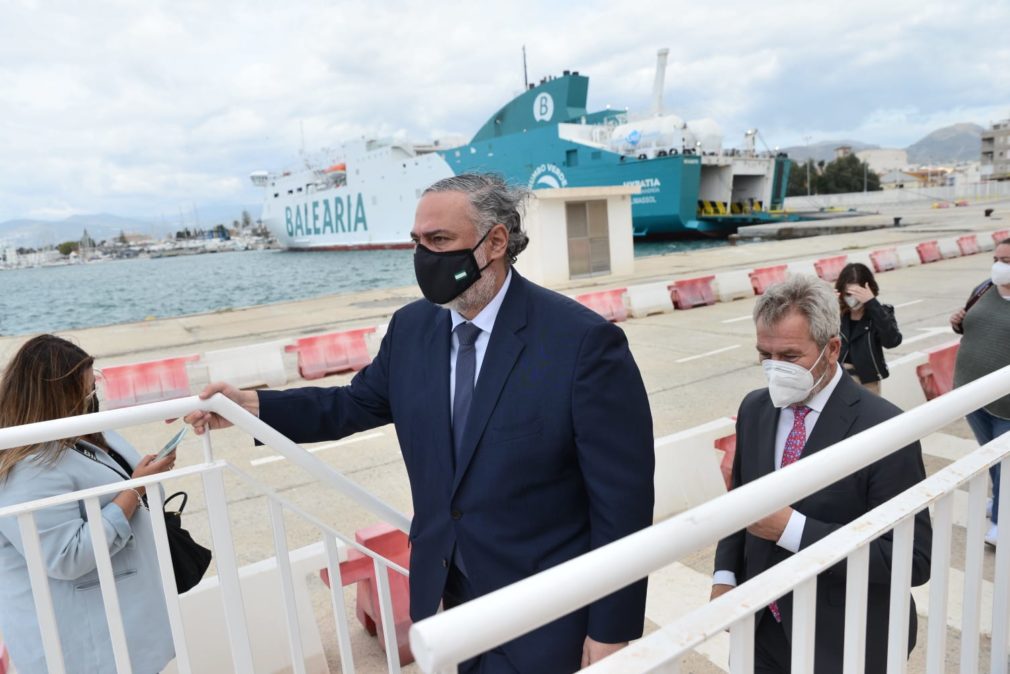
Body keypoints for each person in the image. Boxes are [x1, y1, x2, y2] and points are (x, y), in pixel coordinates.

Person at [185, 173, 656, 672]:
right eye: (417, 242)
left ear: (496, 241)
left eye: (440, 241)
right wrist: (249, 406)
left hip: (548, 613)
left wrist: (610, 631)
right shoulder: (412, 329)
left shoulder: (582, 344)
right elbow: (350, 405)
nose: (424, 258)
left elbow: (622, 505)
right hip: (450, 603)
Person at [710, 275, 931, 674]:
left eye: (790, 357)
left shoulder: (885, 428)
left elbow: (912, 560)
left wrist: (792, 529)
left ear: (831, 349)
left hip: (844, 640)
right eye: (765, 354)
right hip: (762, 630)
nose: (775, 369)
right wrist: (724, 575)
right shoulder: (755, 409)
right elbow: (740, 498)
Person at [0, 335, 177, 674]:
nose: (90, 398)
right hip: (85, 642)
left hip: (122, 621)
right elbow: (65, 556)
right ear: (55, 397)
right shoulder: (28, 467)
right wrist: (135, 490)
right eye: (83, 392)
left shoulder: (84, 434)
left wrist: (141, 480)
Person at [951, 237, 1010, 546]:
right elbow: (972, 324)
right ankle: (1000, 500)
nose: (1000, 266)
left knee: (1004, 462)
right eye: (997, 258)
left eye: (1008, 261)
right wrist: (958, 321)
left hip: (1007, 404)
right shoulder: (984, 288)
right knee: (992, 458)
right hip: (972, 394)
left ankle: (1002, 521)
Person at [834, 262, 902, 394]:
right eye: (848, 294)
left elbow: (892, 341)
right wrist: (828, 306)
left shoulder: (880, 313)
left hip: (867, 382)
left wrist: (872, 304)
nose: (852, 299)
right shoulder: (837, 314)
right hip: (837, 379)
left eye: (858, 293)